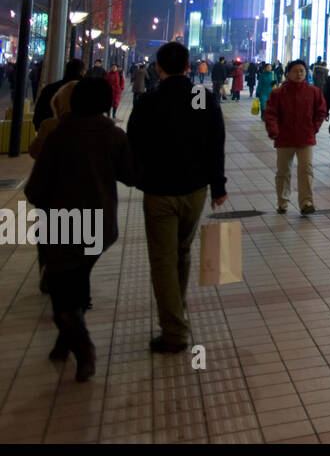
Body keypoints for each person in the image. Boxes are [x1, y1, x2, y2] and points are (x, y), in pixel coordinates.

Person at [25, 78, 134, 381]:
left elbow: (36, 189)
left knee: (61, 294)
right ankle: (65, 341)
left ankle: (83, 348)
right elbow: (131, 174)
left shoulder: (60, 136)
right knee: (77, 281)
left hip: (63, 228)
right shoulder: (114, 136)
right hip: (101, 228)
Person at [126, 42, 227, 354]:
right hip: (195, 190)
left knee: (163, 260)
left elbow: (134, 145)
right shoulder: (200, 97)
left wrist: (139, 177)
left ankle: (174, 332)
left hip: (159, 191)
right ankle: (176, 316)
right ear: (188, 66)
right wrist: (218, 185)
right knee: (181, 252)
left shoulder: (150, 101)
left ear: (159, 68)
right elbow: (215, 140)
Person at [264, 59, 327, 215]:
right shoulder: (278, 93)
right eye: (295, 71)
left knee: (306, 170)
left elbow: (321, 111)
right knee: (283, 171)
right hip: (284, 138)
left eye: (302, 71)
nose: (299, 74)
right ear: (288, 73)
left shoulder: (313, 92)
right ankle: (282, 201)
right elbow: (270, 113)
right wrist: (274, 130)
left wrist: (314, 128)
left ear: (306, 73)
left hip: (305, 137)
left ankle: (306, 202)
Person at [34, 59, 84, 129]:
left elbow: (38, 115)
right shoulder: (85, 92)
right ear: (82, 72)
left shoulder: (49, 88)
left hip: (50, 133)